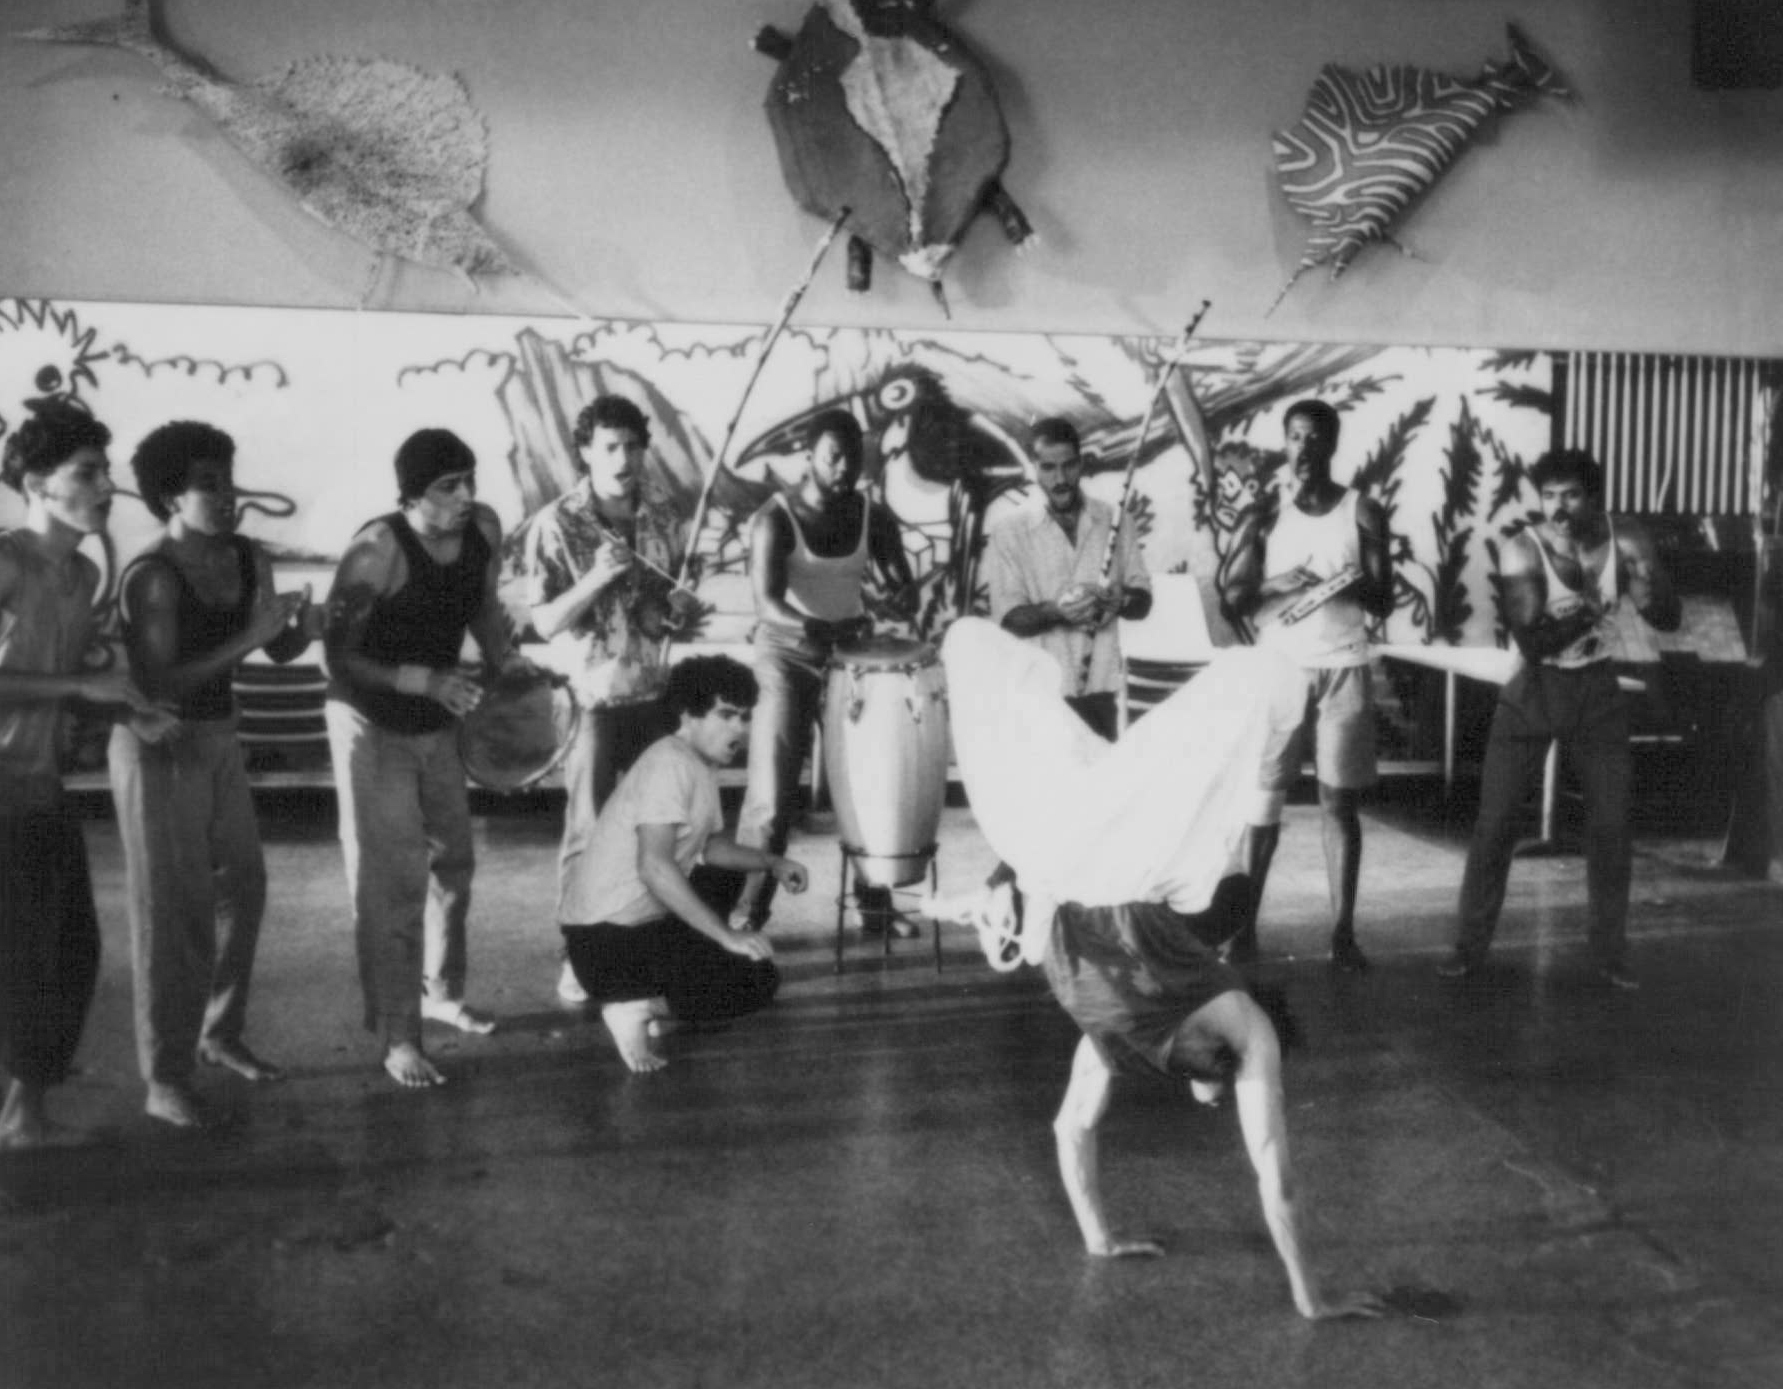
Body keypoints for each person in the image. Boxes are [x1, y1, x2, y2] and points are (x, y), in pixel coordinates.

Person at [930, 618, 1380, 1319]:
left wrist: (1099, 1236)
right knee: (1195, 744)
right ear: (1222, 1074)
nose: (1210, 1101)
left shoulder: (1117, 1039)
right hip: (1107, 880)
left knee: (1069, 745)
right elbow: (1274, 1171)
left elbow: (1071, 1127)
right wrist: (1310, 1296)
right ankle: (1265, 675)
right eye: (1215, 1091)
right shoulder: (1241, 1031)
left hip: (1068, 880)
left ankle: (1259, 680)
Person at [111, 421, 322, 1128]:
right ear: (170, 495)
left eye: (229, 480)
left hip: (220, 737)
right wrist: (252, 636)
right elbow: (157, 680)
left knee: (245, 890)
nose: (228, 497)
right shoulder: (153, 576)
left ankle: (219, 1031)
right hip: (158, 744)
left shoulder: (246, 554)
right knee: (173, 915)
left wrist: (307, 627)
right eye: (209, 484)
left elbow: (280, 648)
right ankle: (163, 1076)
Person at [323, 428, 525, 1089]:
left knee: (454, 862)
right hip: (368, 719)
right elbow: (338, 657)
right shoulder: (375, 550)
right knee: (392, 882)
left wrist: (511, 669)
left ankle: (441, 991)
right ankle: (398, 1034)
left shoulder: (483, 529)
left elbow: (485, 609)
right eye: (448, 485)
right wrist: (424, 680)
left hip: (438, 719)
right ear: (412, 493)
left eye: (470, 479)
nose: (466, 494)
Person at [0, 401, 178, 1149]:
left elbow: (77, 677)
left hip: (38, 790)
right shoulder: (8, 561)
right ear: (38, 483)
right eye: (86, 473)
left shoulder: (78, 572)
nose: (106, 485)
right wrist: (80, 690)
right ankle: (22, 1114)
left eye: (105, 471)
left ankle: (24, 1104)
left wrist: (127, 711)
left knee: (68, 951)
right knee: (28, 956)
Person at [1440, 449, 1680, 989]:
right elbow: (1534, 640)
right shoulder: (1524, 549)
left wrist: (1649, 584)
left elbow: (1669, 617)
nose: (1558, 507)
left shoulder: (1628, 538)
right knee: (1496, 822)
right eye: (1549, 495)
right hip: (1534, 689)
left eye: (1570, 495)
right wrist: (1597, 605)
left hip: (1597, 688)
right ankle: (1468, 947)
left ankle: (1609, 955)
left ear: (1595, 497)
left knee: (1612, 826)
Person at [524, 395, 697, 1003]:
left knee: (658, 833)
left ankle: (645, 951)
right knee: (589, 834)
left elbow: (657, 611)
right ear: (586, 453)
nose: (623, 459)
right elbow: (543, 621)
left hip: (653, 696)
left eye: (632, 445)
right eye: (610, 448)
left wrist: (675, 613)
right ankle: (579, 957)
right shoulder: (556, 523)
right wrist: (596, 577)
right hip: (591, 700)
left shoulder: (665, 519)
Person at [561, 654, 807, 1073]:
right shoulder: (669, 765)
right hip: (605, 947)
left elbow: (709, 849)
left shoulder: (695, 764)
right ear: (688, 714)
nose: (739, 730)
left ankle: (656, 995)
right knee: (753, 982)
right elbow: (653, 866)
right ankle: (635, 1008)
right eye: (726, 715)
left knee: (726, 890)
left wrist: (772, 862)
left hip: (628, 931)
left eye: (745, 718)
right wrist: (725, 936)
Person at [729, 409, 916, 935]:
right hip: (786, 659)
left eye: (854, 458)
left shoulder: (871, 516)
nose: (845, 468)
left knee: (868, 789)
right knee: (772, 797)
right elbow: (766, 603)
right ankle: (745, 917)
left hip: (846, 658)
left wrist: (900, 591)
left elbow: (900, 580)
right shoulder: (774, 516)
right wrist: (821, 628)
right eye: (834, 456)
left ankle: (875, 904)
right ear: (808, 457)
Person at [1222, 400, 1392, 973]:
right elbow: (1235, 597)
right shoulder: (1266, 512)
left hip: (1343, 666)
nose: (1304, 449)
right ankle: (1242, 930)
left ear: (1333, 444)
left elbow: (1383, 598)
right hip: (1283, 669)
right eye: (1295, 437)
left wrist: (1347, 583)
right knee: (1263, 802)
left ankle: (1343, 933)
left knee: (1338, 804)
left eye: (1316, 439)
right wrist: (1279, 581)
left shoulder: (1361, 510)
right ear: (1286, 443)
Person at [983, 416, 1152, 741]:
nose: (1060, 478)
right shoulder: (1009, 533)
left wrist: (1122, 600)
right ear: (1033, 469)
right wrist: (1057, 612)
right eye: (1048, 468)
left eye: (1069, 465)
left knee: (1102, 787)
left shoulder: (1116, 520)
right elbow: (1009, 619)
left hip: (1104, 693)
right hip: (1041, 696)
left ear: (1081, 463)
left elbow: (1142, 602)